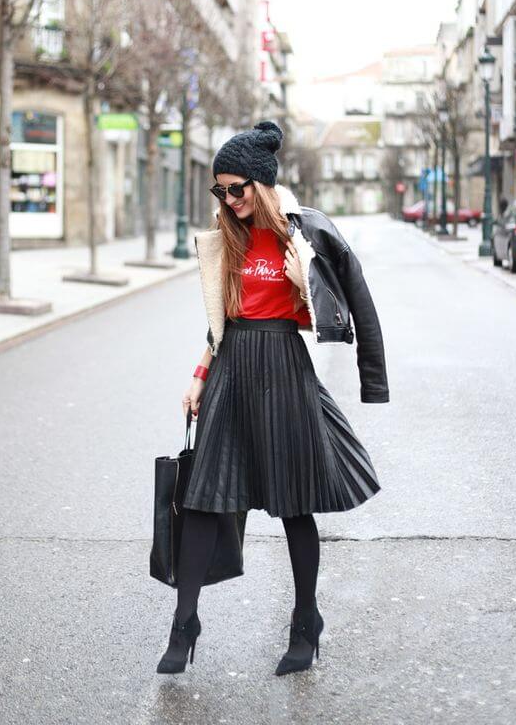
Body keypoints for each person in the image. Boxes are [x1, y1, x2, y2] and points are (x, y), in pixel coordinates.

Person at [156, 120, 389, 676]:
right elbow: (222, 321)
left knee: (293, 503)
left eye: (237, 188)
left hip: (284, 369)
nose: (230, 199)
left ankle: (306, 620)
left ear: (260, 185)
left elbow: (349, 302)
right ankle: (184, 622)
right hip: (232, 369)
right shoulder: (225, 239)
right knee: (203, 500)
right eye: (221, 189)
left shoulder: (301, 233)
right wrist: (199, 374)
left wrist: (304, 283)